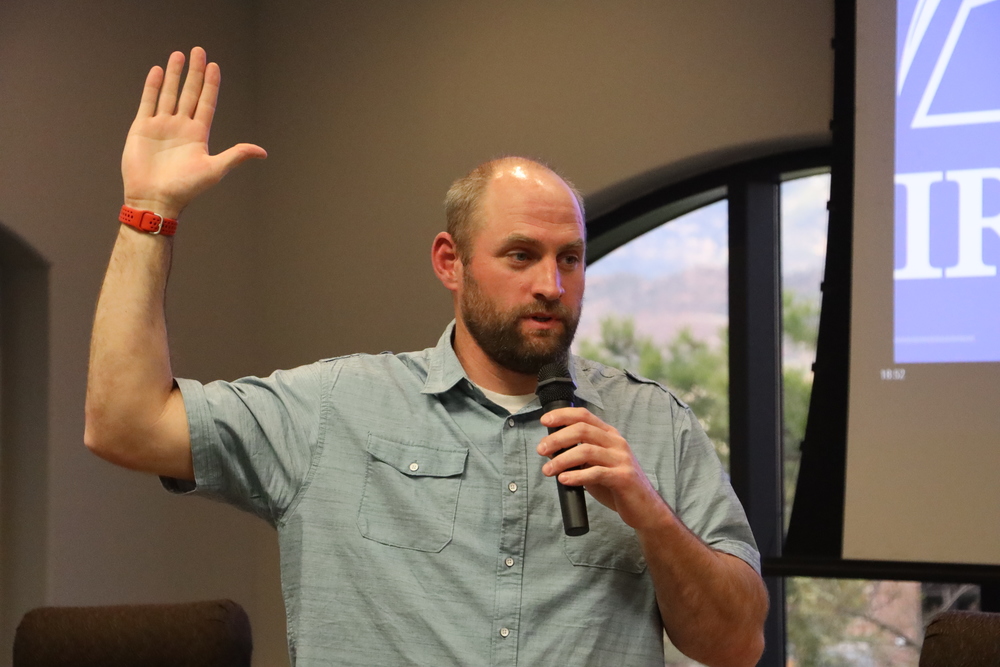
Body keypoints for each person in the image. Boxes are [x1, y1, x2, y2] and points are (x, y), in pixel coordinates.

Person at [85, 47, 768, 667]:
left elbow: (735, 644)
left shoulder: (653, 426)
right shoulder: (335, 407)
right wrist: (149, 209)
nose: (550, 285)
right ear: (451, 262)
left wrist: (648, 511)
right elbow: (124, 422)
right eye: (521, 255)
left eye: (570, 259)